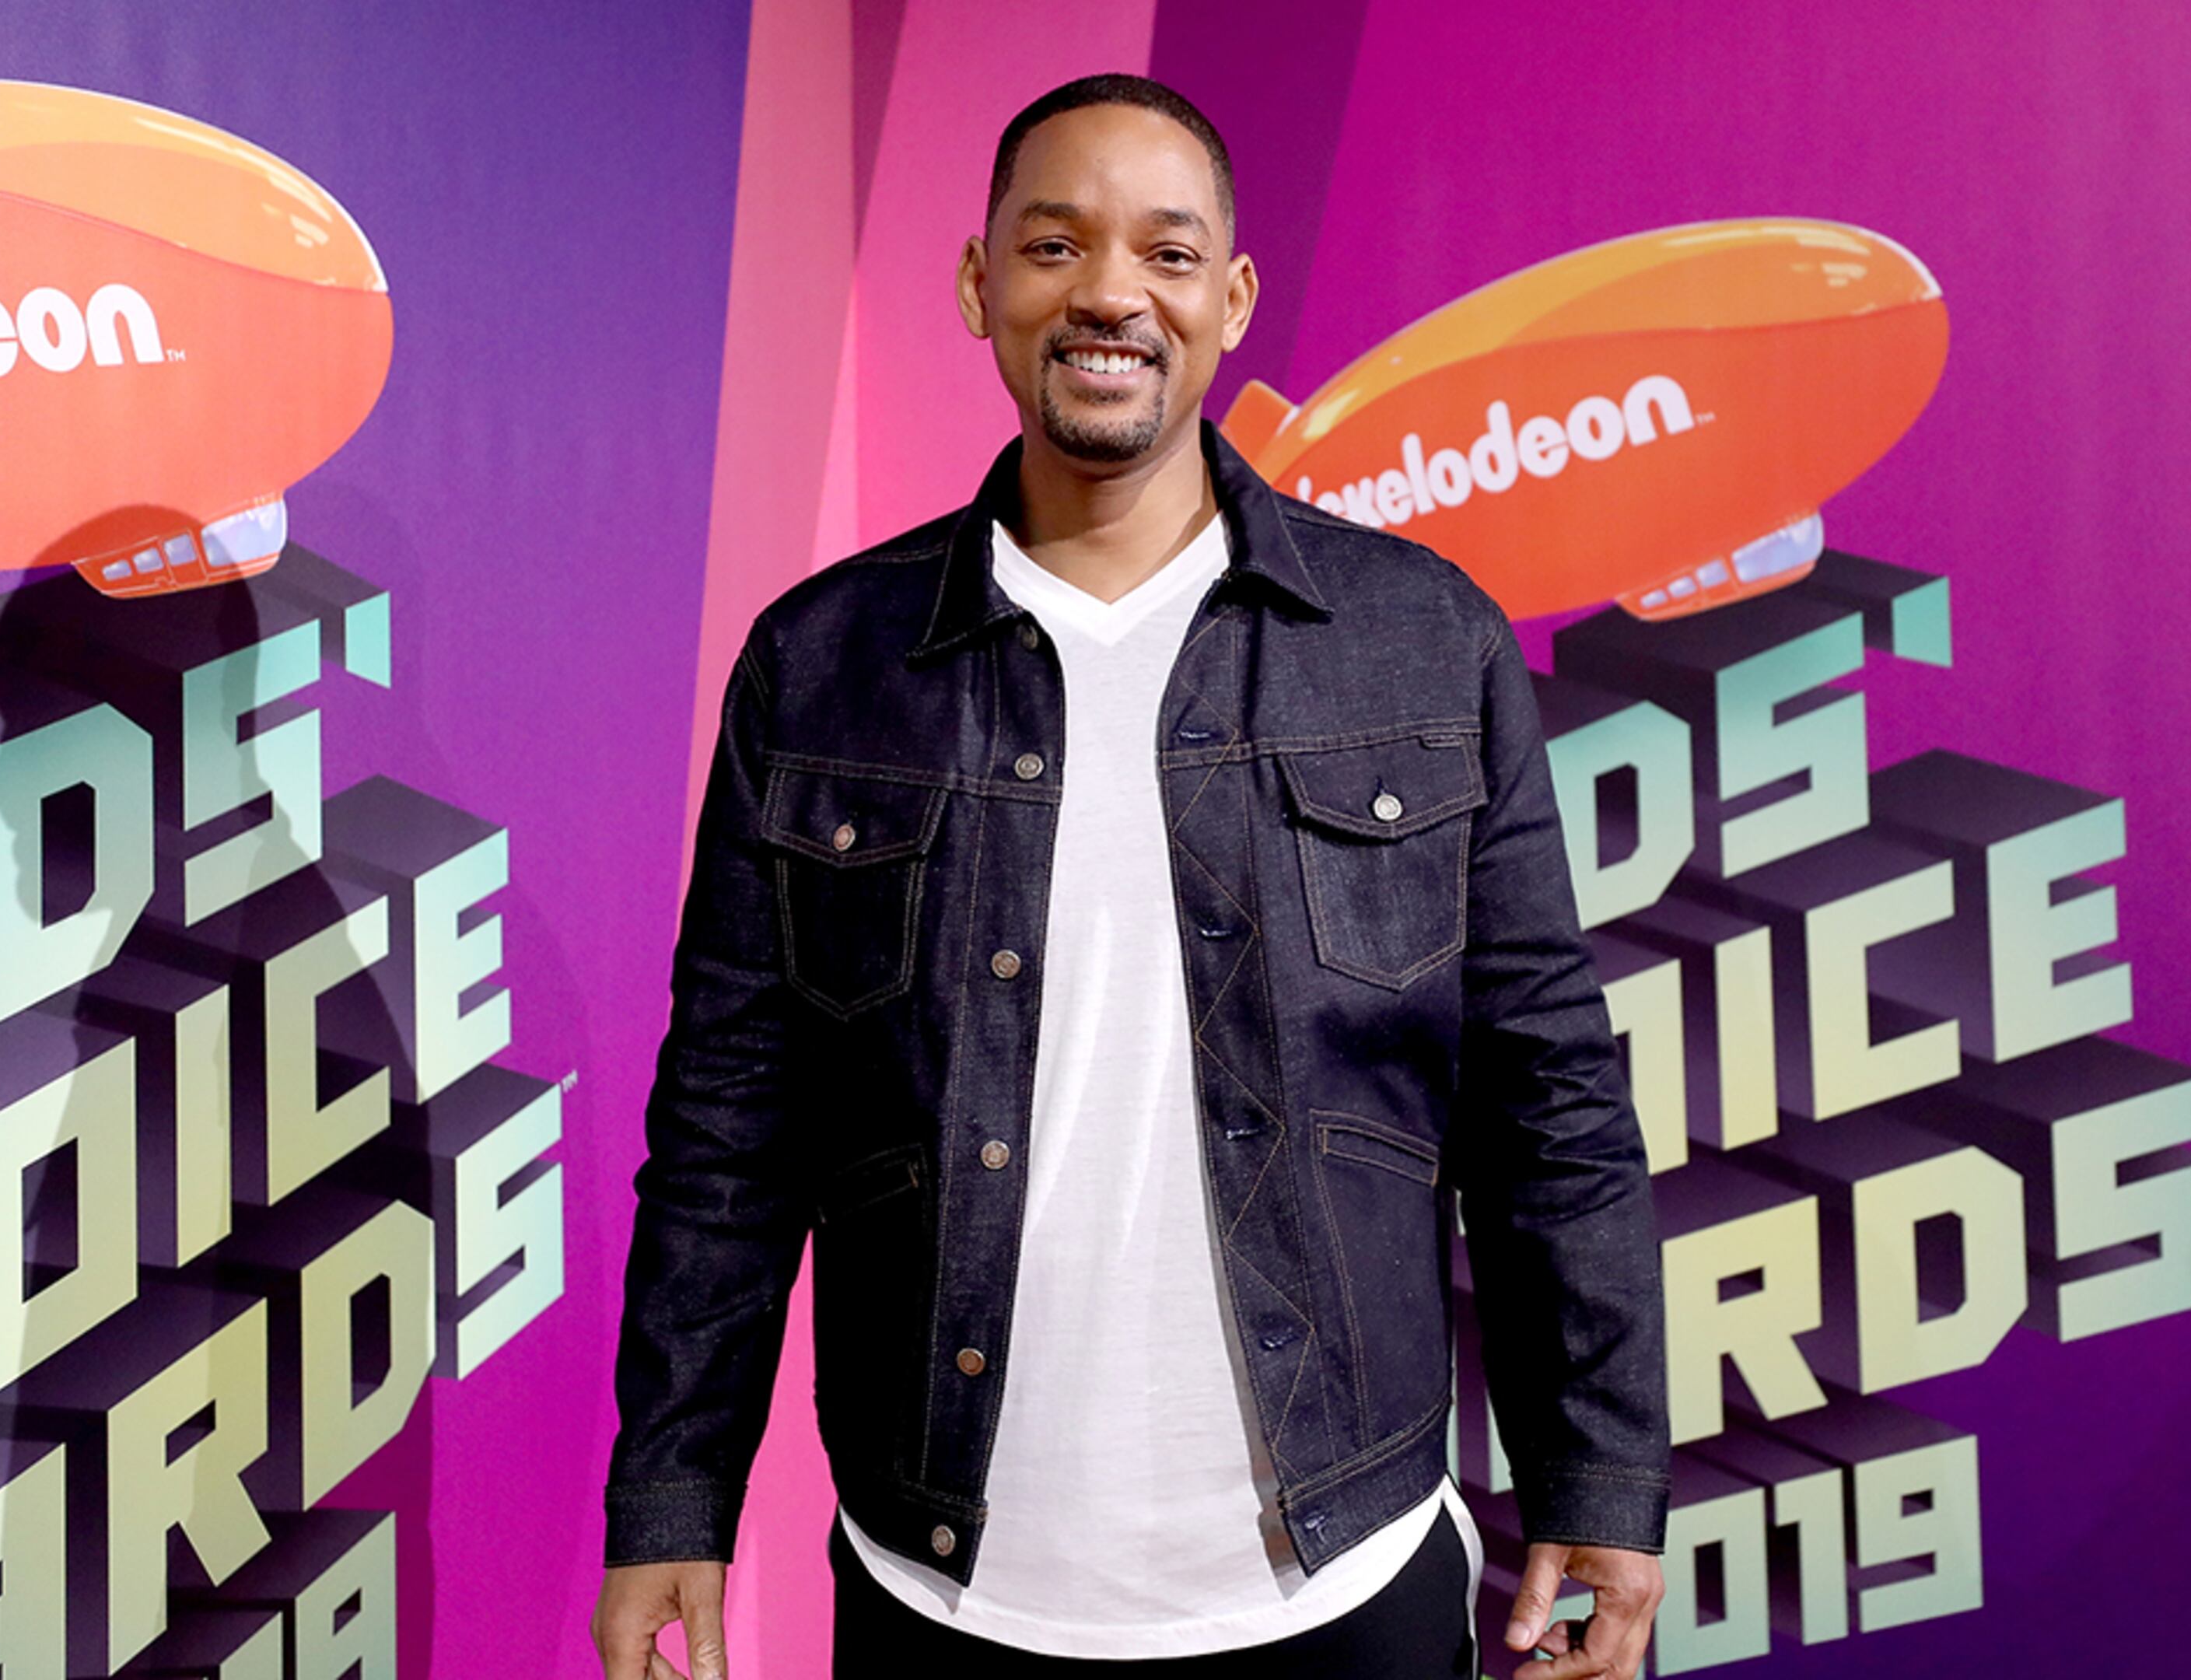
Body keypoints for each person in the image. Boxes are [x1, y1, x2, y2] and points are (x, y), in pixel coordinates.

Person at [593, 74, 1668, 1680]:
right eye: (1053, 245)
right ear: (979, 287)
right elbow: (733, 1132)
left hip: (1341, 1574)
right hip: (941, 1587)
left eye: (1166, 254)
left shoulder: (1419, 640)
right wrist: (674, 1499)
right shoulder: (822, 666)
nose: (1109, 292)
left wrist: (1599, 1472)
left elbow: (1546, 1102)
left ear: (1229, 301)